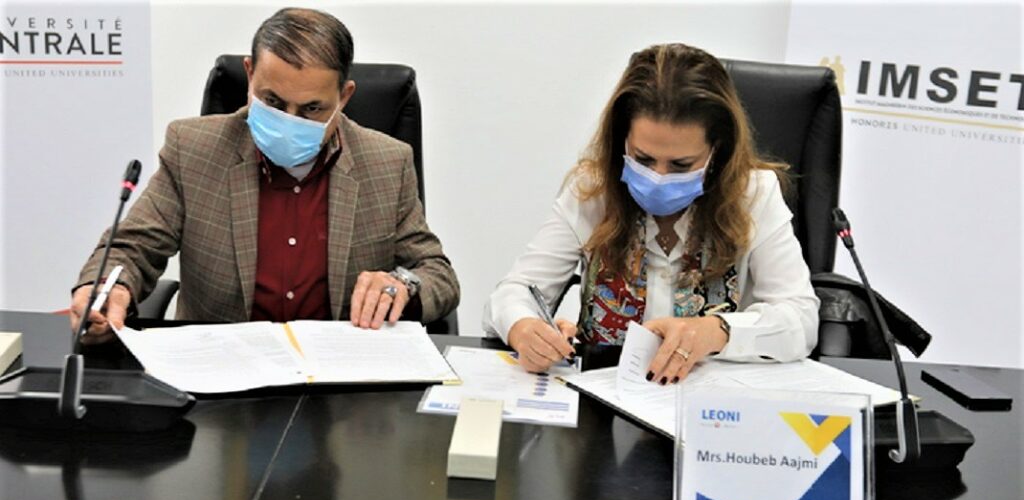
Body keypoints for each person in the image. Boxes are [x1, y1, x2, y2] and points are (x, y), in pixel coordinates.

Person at [70, 8, 459, 343]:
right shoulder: (193, 149)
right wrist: (108, 290)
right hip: (221, 374)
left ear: (344, 97)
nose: (289, 121)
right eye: (272, 101)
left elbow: (437, 274)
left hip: (337, 378)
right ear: (250, 73)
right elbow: (133, 247)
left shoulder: (386, 162)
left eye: (311, 109)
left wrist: (401, 286)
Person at [484, 43, 818, 382]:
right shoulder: (592, 191)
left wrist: (718, 331)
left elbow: (802, 320)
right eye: (643, 159)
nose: (658, 177)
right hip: (601, 397)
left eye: (681, 165)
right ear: (622, 140)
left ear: (717, 151)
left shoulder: (753, 194)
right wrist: (524, 327)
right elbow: (513, 293)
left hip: (711, 400)